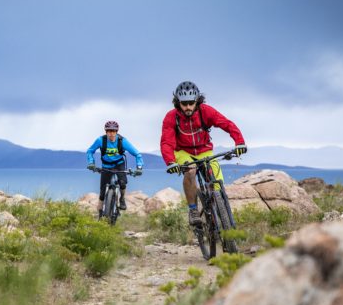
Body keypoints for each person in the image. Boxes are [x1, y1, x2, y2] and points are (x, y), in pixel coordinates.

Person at [160, 81, 247, 226]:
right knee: (190, 170)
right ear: (178, 103)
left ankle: (219, 208)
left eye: (191, 103)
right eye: (184, 103)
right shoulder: (171, 117)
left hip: (204, 150)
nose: (188, 106)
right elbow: (166, 142)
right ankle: (193, 210)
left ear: (197, 101)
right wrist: (170, 161)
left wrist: (239, 142)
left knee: (217, 182)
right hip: (183, 152)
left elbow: (226, 124)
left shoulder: (206, 111)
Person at [87, 120, 144, 215]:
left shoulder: (122, 141)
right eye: (109, 131)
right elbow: (90, 151)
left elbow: (137, 154)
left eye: (113, 131)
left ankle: (122, 198)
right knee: (102, 191)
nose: (111, 133)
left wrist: (139, 167)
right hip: (106, 166)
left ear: (116, 131)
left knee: (122, 183)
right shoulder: (101, 140)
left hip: (119, 165)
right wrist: (91, 163)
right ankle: (100, 213)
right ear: (106, 131)